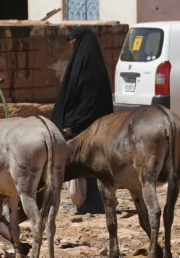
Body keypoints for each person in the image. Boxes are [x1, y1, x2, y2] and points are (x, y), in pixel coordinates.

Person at [51, 26, 114, 215]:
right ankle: (85, 203)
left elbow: (92, 101)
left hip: (90, 126)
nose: (71, 42)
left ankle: (95, 203)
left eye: (74, 39)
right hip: (77, 126)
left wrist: (74, 124)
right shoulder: (78, 64)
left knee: (92, 166)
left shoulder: (92, 68)